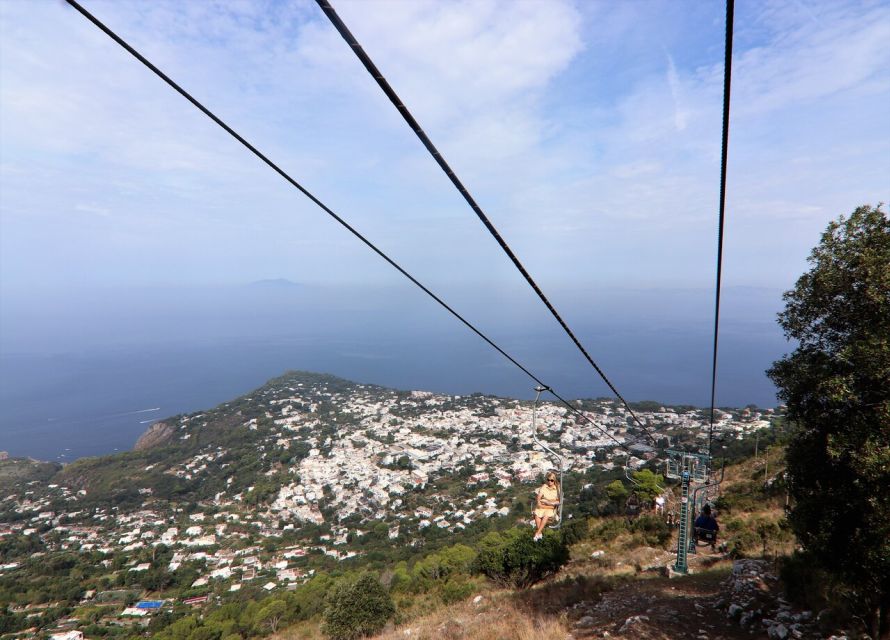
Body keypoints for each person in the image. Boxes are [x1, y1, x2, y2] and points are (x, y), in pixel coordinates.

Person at [533, 471, 560, 541]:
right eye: (548, 480)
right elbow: (539, 496)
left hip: (551, 508)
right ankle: (540, 533)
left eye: (551, 480)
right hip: (543, 505)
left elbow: (558, 501)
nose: (550, 482)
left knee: (546, 515)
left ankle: (537, 533)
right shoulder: (544, 486)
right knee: (536, 514)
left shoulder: (557, 489)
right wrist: (539, 501)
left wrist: (548, 502)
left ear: (554, 481)